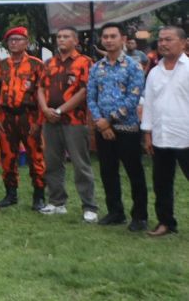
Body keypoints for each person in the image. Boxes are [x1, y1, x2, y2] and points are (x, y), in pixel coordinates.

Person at [87, 22, 148, 231]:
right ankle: (115, 212)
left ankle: (140, 216)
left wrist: (110, 120)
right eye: (105, 37)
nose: (109, 40)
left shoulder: (133, 66)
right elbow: (91, 97)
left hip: (127, 128)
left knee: (134, 172)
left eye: (113, 36)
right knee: (108, 171)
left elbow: (133, 98)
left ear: (123, 39)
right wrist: (101, 123)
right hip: (103, 129)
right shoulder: (97, 67)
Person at [37, 27, 98, 222]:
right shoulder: (49, 63)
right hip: (49, 120)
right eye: (59, 37)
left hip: (74, 121)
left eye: (66, 37)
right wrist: (45, 109)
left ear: (76, 41)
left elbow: (84, 91)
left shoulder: (85, 62)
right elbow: (40, 88)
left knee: (80, 164)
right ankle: (57, 202)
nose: (61, 40)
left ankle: (89, 206)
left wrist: (60, 110)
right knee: (52, 162)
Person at [0, 26, 47, 210]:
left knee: (36, 156)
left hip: (29, 116)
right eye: (11, 40)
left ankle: (39, 196)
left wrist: (39, 121)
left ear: (26, 43)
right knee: (8, 156)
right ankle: (10, 194)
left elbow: (43, 94)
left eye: (18, 39)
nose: (14, 43)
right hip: (6, 117)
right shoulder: (1, 66)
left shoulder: (37, 65)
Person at [141, 26, 189, 237]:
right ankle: (166, 222)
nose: (163, 44)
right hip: (161, 135)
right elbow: (149, 104)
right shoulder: (154, 72)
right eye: (160, 40)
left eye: (168, 39)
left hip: (185, 134)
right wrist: (147, 133)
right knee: (161, 183)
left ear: (183, 43)